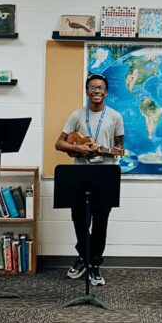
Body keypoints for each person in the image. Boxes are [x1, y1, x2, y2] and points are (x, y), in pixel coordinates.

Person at [53, 73, 124, 286]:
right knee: (80, 221)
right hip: (80, 174)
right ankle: (84, 257)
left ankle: (94, 264)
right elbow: (59, 143)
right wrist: (78, 148)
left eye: (100, 88)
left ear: (106, 92)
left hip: (105, 174)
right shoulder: (76, 115)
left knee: (101, 222)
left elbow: (120, 148)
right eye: (92, 87)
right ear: (87, 92)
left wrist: (106, 151)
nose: (96, 91)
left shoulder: (115, 117)